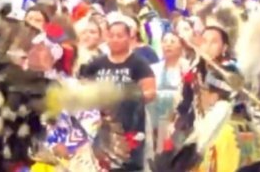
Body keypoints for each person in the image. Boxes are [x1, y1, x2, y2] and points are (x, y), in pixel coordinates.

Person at [80, 13, 157, 172]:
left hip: (131, 126)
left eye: (120, 36)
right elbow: (83, 89)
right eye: (112, 35)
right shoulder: (97, 63)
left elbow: (151, 92)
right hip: (101, 128)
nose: (115, 39)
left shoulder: (138, 63)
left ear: (129, 37)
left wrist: (128, 95)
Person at [148, 32, 186, 152]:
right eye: (165, 41)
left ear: (181, 46)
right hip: (155, 120)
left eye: (172, 42)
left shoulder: (187, 68)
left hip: (178, 121)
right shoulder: (153, 68)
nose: (168, 45)